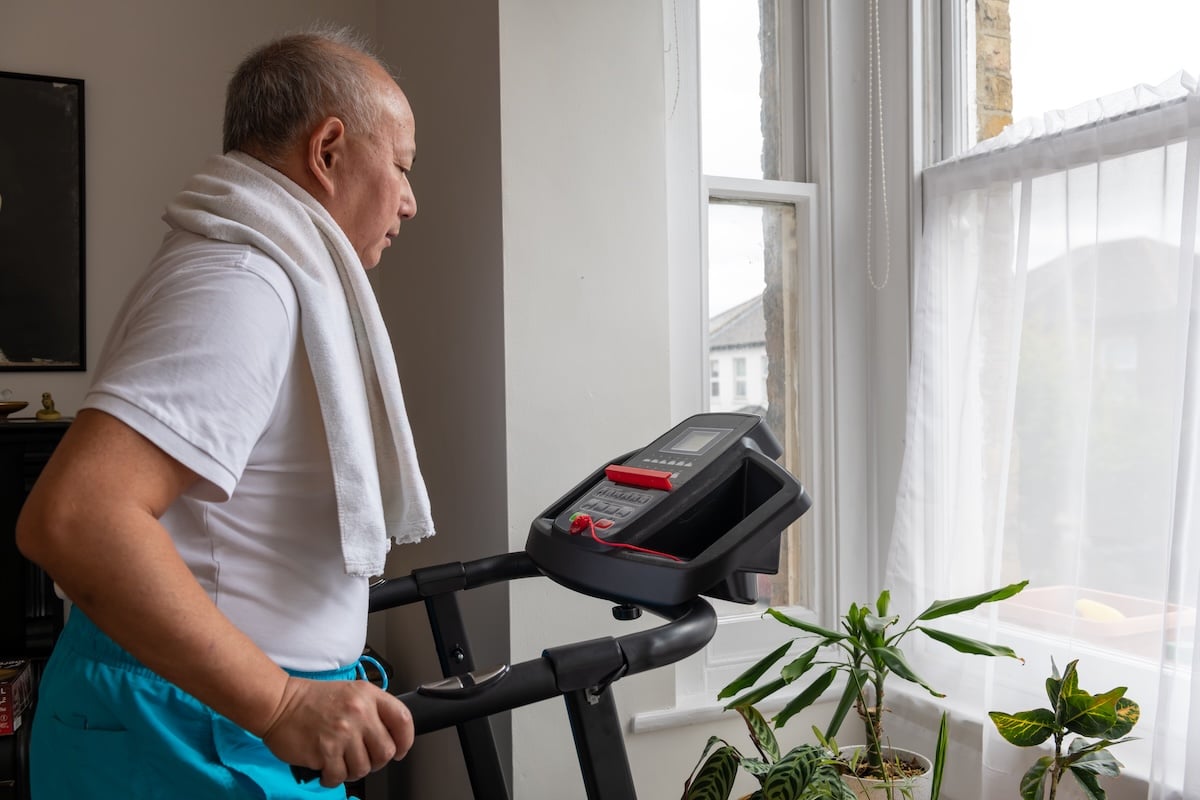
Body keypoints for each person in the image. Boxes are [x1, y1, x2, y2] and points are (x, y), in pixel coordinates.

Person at [16, 25, 435, 798]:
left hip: (221, 725)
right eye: (402, 167)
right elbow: (75, 518)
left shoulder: (250, 269)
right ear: (330, 150)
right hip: (190, 733)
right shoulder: (242, 284)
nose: (409, 201)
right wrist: (281, 702)